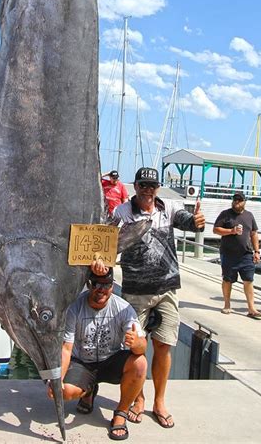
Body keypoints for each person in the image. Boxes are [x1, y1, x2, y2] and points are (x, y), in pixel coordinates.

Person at [94, 167, 205, 429]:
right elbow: (105, 241)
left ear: (157, 187)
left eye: (152, 185)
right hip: (135, 292)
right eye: (143, 185)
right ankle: (138, 398)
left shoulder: (168, 208)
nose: (147, 189)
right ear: (135, 186)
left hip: (167, 289)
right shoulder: (123, 212)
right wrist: (99, 260)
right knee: (136, 348)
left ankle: (160, 401)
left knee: (164, 346)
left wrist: (198, 221)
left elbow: (188, 221)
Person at [48, 268, 147, 441]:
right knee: (66, 392)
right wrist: (57, 380)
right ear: (88, 284)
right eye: (96, 284)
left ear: (112, 286)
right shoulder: (74, 308)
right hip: (83, 363)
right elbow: (65, 349)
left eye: (106, 285)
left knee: (140, 363)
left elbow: (142, 347)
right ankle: (88, 391)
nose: (101, 289)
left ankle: (121, 412)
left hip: (110, 360)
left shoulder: (123, 308)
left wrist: (136, 343)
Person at [213, 192, 261, 319]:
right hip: (228, 253)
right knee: (227, 280)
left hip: (246, 254)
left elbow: (254, 233)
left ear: (244, 202)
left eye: (240, 200)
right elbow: (215, 229)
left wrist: (257, 251)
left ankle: (252, 308)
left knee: (248, 280)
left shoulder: (249, 216)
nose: (237, 202)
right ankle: (227, 304)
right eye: (235, 199)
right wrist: (231, 231)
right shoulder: (226, 214)